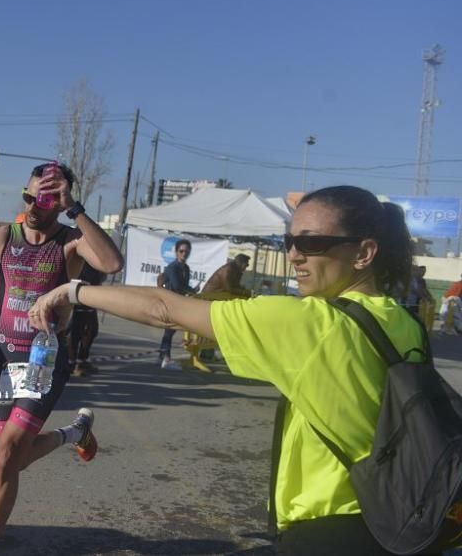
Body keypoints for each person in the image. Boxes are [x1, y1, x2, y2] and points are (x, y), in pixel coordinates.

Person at [26, 185, 433, 555]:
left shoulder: (313, 323)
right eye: (290, 241)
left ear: (364, 253)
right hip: (404, 519)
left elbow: (165, 309)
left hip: (328, 529)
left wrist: (72, 291)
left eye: (313, 243)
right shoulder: (405, 322)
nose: (294, 255)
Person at [0, 163, 123, 556]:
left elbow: (111, 264)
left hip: (44, 362)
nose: (33, 206)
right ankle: (74, 434)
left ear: (59, 201)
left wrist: (77, 210)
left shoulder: (70, 240)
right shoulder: (3, 236)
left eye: (44, 199)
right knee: (14, 459)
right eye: (29, 196)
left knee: (4, 459)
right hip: (5, 363)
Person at [155, 238, 196, 371]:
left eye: (187, 252)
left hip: (179, 302)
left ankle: (163, 356)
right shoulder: (173, 267)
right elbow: (177, 285)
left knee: (170, 331)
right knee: (169, 330)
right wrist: (190, 290)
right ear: (176, 252)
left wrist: (191, 290)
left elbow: (183, 286)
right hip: (170, 302)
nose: (184, 254)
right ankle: (165, 358)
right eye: (181, 251)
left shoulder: (186, 268)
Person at [69, 263, 105, 377]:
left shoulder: (96, 263)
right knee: (76, 333)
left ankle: (83, 360)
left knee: (91, 331)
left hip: (92, 298)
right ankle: (72, 364)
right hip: (79, 298)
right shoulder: (82, 261)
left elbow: (102, 276)